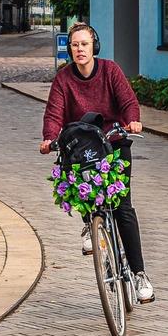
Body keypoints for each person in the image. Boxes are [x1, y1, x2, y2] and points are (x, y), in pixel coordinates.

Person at [39, 22, 155, 304]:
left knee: (123, 206)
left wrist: (132, 120)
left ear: (95, 47)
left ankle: (139, 274)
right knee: (78, 182)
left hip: (114, 142)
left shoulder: (110, 70)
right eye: (75, 45)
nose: (79, 50)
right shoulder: (64, 79)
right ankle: (91, 223)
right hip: (83, 146)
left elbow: (128, 100)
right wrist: (49, 138)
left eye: (84, 45)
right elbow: (55, 113)